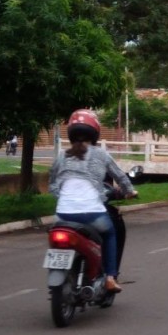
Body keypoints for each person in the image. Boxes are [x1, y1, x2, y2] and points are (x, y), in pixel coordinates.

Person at [48, 109, 137, 293]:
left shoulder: (62, 156)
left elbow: (52, 185)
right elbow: (120, 177)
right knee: (110, 234)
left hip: (62, 214)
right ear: (95, 133)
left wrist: (64, 197)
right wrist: (130, 192)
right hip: (92, 214)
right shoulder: (100, 155)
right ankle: (110, 277)